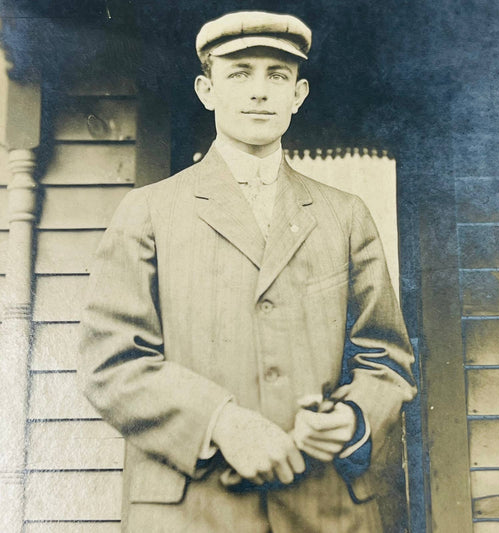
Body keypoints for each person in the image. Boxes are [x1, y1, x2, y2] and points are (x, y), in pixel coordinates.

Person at [78, 10, 416, 533]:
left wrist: (351, 420)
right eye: (239, 73)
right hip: (193, 513)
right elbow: (112, 362)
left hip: (326, 510)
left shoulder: (345, 216)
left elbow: (385, 358)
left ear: (298, 94)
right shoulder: (147, 211)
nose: (259, 91)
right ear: (205, 89)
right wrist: (222, 424)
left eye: (277, 75)